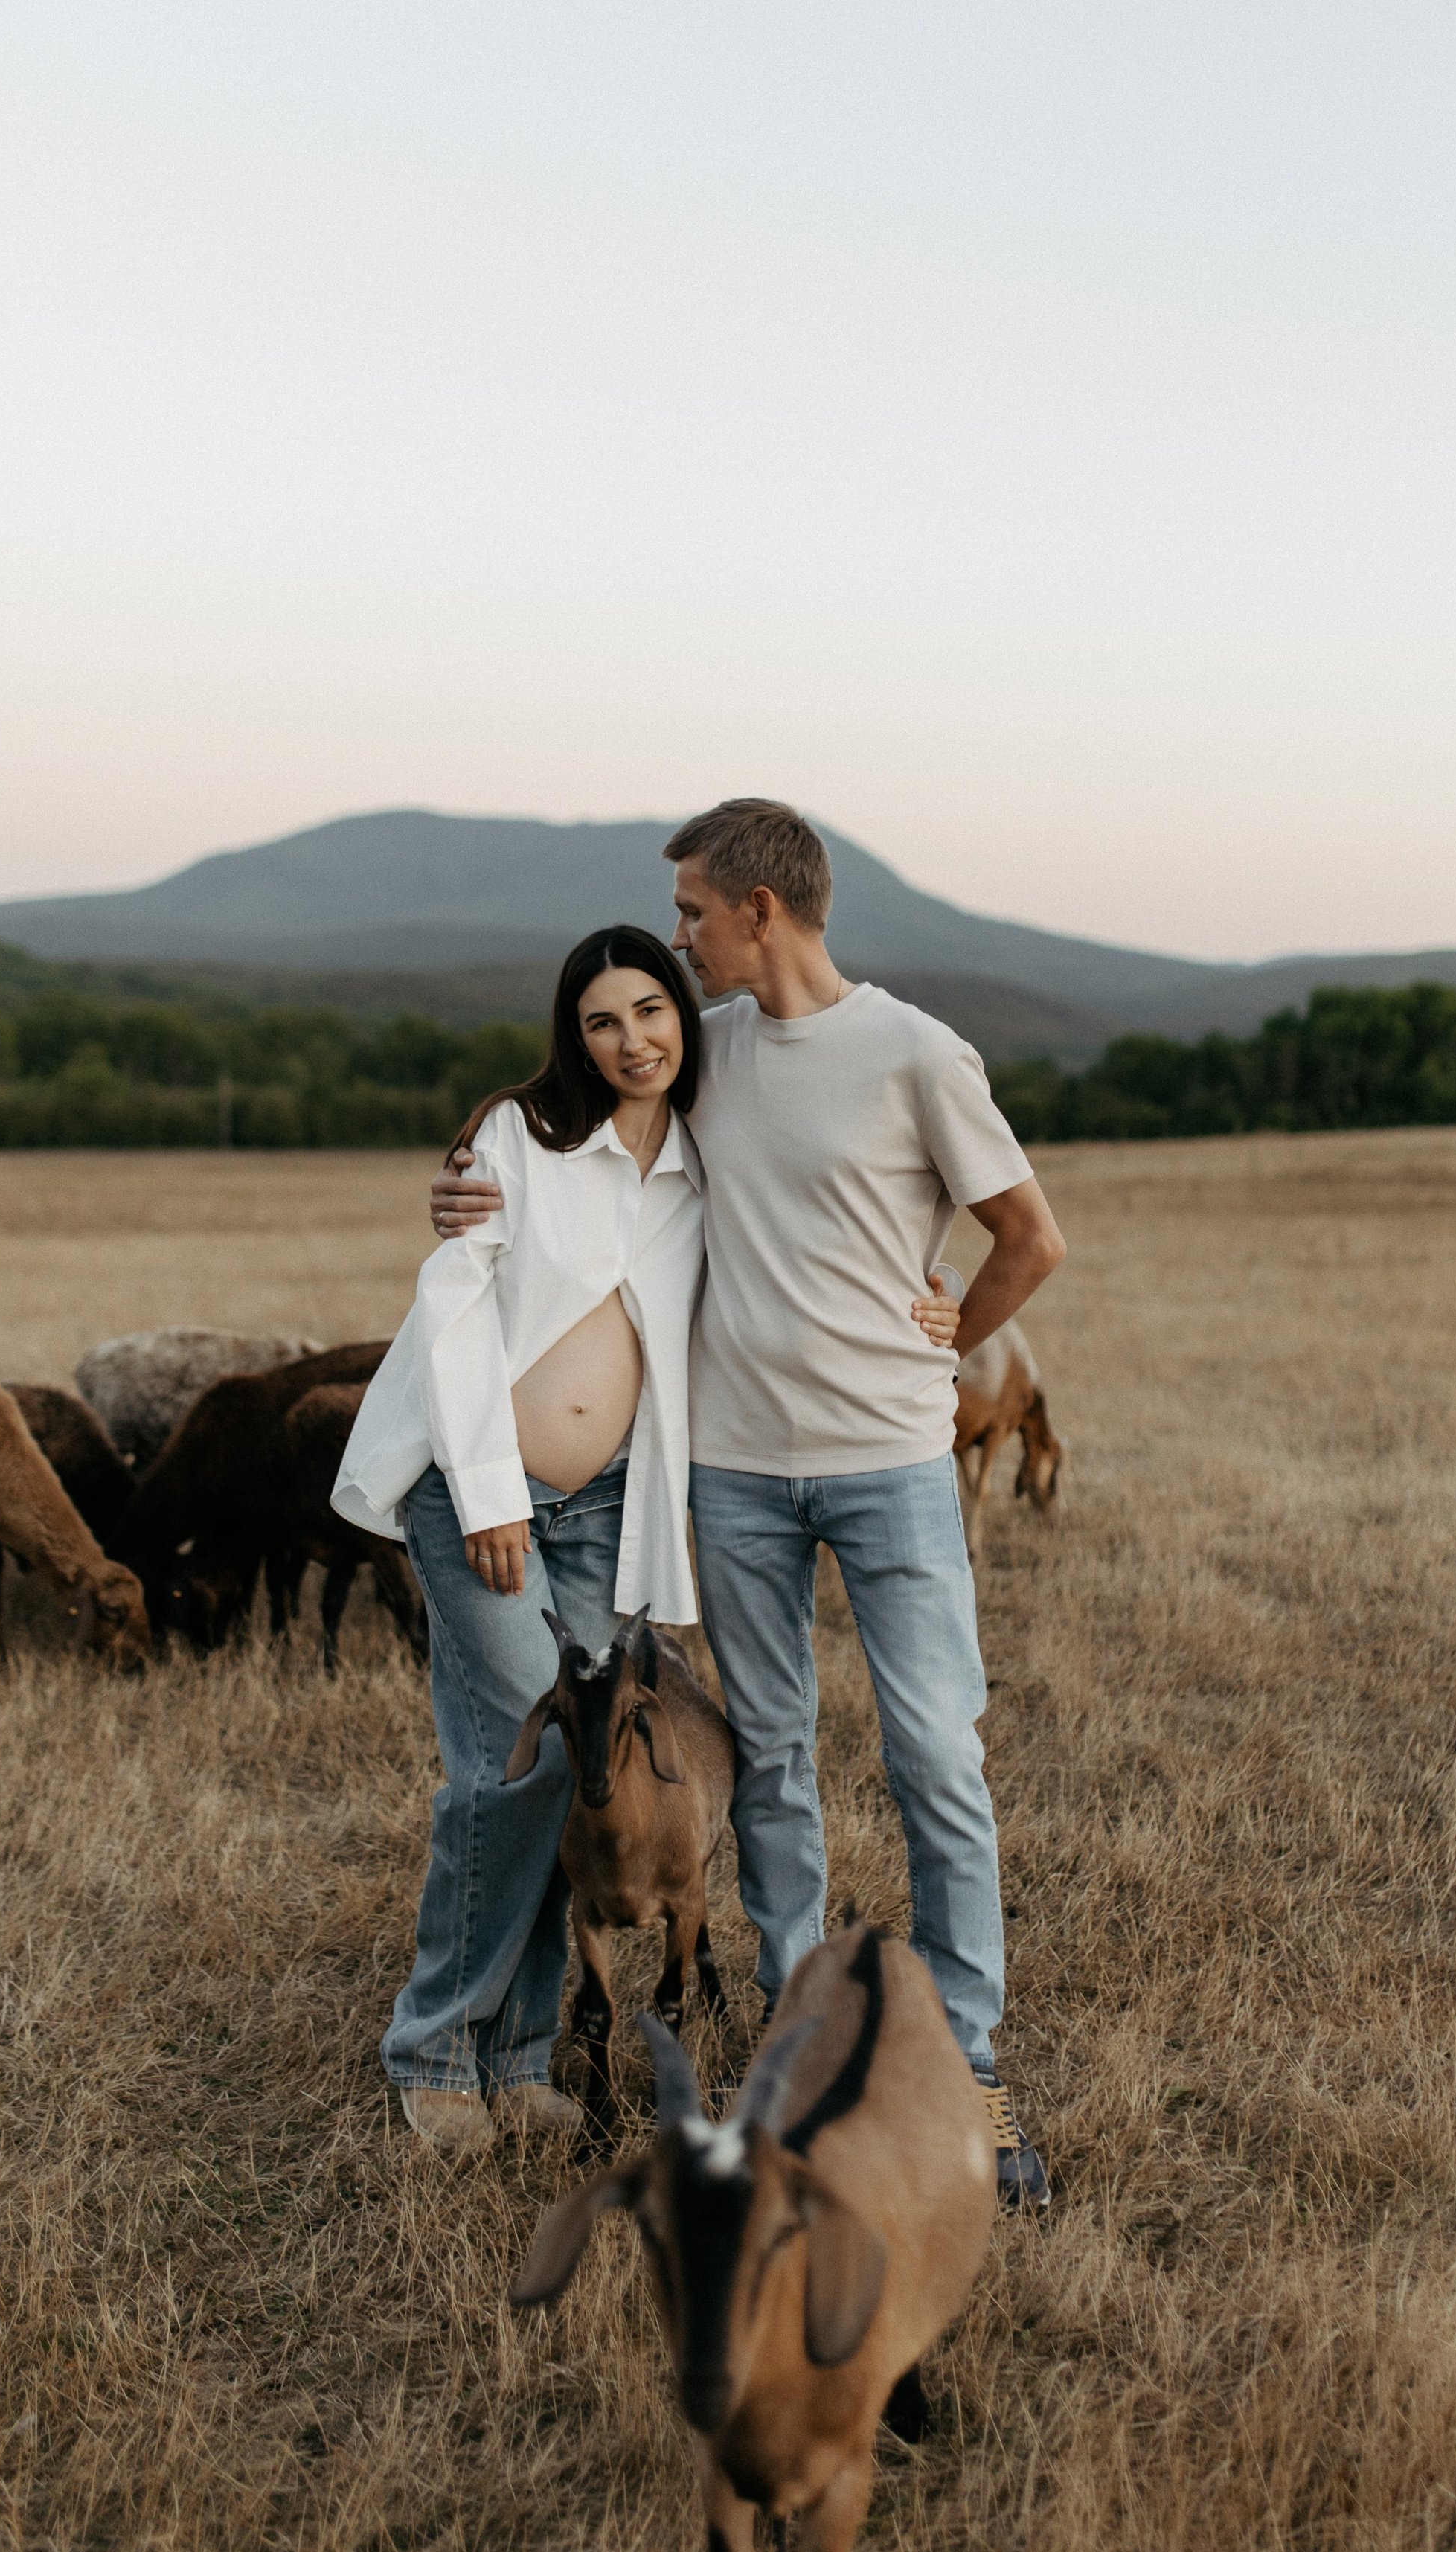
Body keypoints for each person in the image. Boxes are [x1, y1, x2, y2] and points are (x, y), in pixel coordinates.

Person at [431, 800, 1068, 2205]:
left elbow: (1032, 1235)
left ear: (760, 912)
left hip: (894, 1468)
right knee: (772, 1760)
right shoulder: (705, 1057)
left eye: (693, 916)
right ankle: (797, 2046)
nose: (678, 941)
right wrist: (473, 1182)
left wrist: (947, 1334)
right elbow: (578, 1119)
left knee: (935, 1760)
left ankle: (966, 2060)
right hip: (738, 1480)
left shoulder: (912, 1051)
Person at [332, 926, 710, 2155]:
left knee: (573, 1765)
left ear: (683, 1015)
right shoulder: (523, 1138)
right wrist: (490, 1490)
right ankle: (436, 2049)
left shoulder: (706, 1158)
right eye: (602, 1021)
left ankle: (522, 2058)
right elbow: (451, 1302)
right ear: (574, 1035)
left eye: (650, 1010)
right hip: (478, 1490)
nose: (631, 1040)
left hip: (604, 1510)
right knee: (520, 1757)